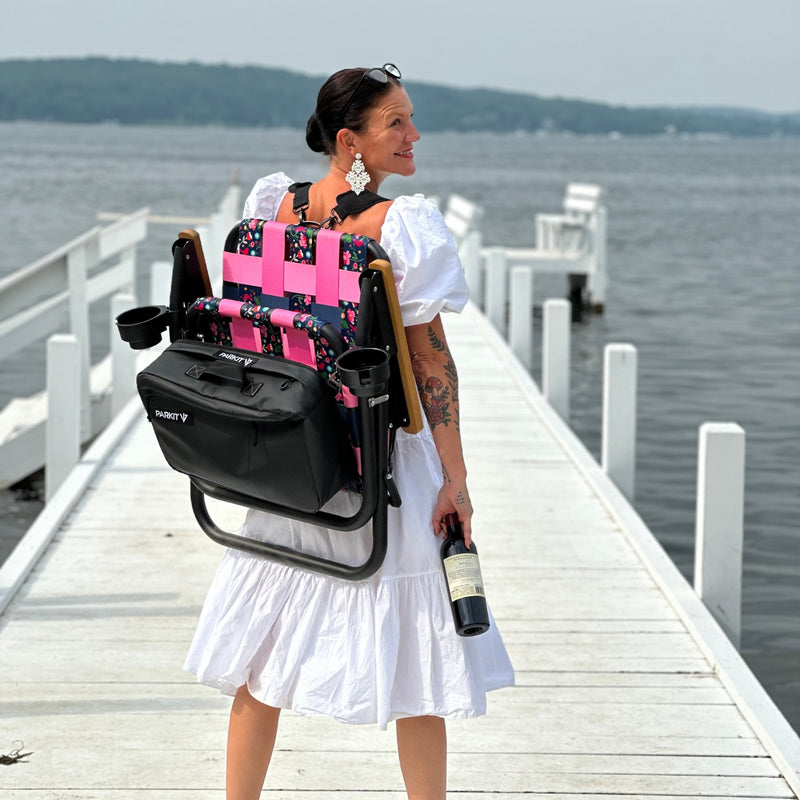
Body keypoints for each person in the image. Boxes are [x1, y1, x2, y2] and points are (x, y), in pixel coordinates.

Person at [184, 64, 514, 800]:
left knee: (262, 651)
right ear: (349, 140)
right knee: (424, 668)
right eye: (396, 122)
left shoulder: (275, 210)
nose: (414, 134)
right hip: (379, 456)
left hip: (292, 453)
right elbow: (430, 366)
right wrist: (456, 481)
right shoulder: (397, 226)